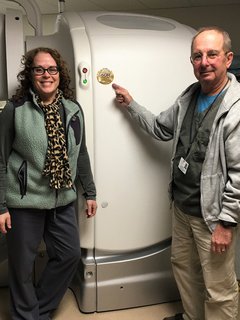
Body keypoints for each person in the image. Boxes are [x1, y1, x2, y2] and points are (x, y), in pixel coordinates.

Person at [112, 26, 240, 320]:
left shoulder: (236, 109)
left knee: (219, 287)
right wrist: (131, 105)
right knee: (184, 270)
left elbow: (239, 173)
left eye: (212, 54)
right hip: (182, 208)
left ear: (228, 59)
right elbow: (160, 127)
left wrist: (227, 223)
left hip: (213, 217)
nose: (204, 62)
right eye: (197, 56)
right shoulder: (190, 96)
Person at [0, 47, 97, 320]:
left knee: (68, 256)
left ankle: (37, 313)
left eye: (52, 69)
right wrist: (1, 206)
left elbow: (81, 152)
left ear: (60, 73)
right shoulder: (15, 109)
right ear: (30, 74)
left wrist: (89, 191)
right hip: (24, 201)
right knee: (21, 267)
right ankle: (25, 315)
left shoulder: (73, 109)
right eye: (39, 69)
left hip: (63, 199)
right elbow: (0, 157)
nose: (46, 75)